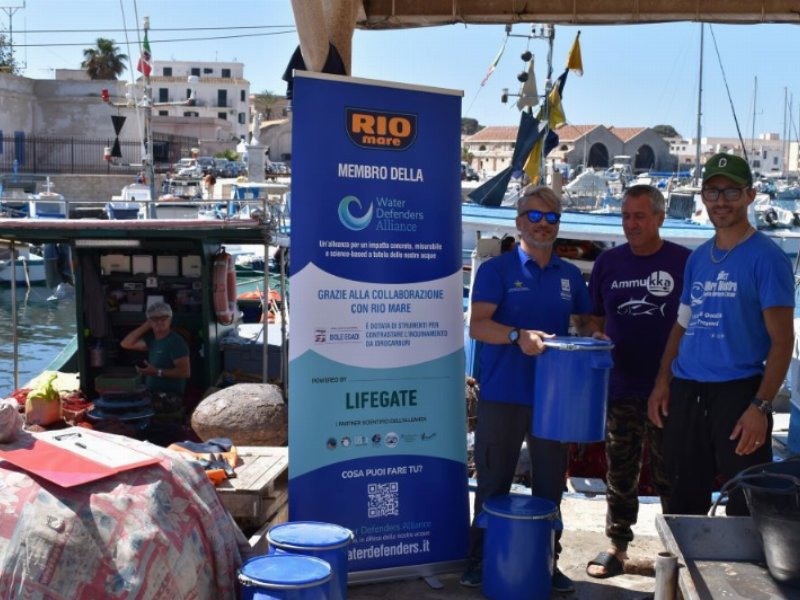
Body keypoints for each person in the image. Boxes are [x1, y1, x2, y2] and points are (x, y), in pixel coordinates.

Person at [463, 185, 604, 593]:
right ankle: (480, 559)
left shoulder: (569, 276)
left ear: (559, 224)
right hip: (503, 396)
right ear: (520, 222)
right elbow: (478, 326)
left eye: (551, 218)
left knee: (549, 487)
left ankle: (548, 560)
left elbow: (584, 322)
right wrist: (515, 336)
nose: (543, 225)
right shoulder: (496, 271)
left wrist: (595, 333)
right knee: (492, 482)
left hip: (555, 403)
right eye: (535, 217)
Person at [648, 153, 795, 516]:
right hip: (687, 393)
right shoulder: (699, 258)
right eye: (713, 192)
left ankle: (743, 574)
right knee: (684, 498)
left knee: (746, 504)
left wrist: (760, 407)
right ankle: (686, 570)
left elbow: (782, 342)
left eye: (731, 192)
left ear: (750, 195)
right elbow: (682, 325)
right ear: (702, 197)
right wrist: (663, 382)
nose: (721, 201)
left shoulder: (767, 258)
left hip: (738, 393)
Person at [585, 185, 691, 578]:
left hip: (671, 388)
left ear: (660, 217)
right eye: (626, 216)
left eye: (640, 216)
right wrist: (592, 335)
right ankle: (617, 545)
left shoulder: (684, 262)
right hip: (621, 385)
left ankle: (678, 551)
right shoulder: (608, 263)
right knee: (620, 470)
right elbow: (592, 318)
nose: (631, 224)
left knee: (672, 472)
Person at [120, 301, 190, 420]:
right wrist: (147, 325)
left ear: (170, 320)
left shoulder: (176, 342)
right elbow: (126, 343)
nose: (160, 321)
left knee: (131, 407)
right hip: (150, 393)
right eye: (155, 318)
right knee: (119, 401)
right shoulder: (152, 341)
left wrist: (156, 372)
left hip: (170, 397)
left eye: (164, 318)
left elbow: (185, 372)